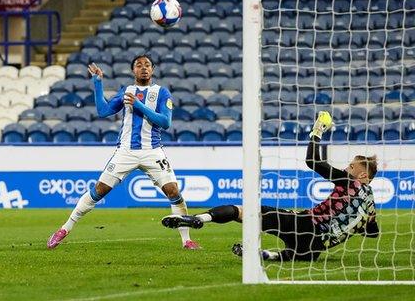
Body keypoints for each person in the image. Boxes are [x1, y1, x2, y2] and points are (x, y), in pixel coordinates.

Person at [161, 111, 379, 261]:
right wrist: (363, 221)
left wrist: (317, 132)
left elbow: (313, 162)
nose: (347, 169)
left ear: (361, 174)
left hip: (303, 224)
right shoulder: (370, 207)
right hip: (316, 247)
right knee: (297, 255)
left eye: (351, 166)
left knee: (245, 212)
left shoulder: (350, 181)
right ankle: (265, 255)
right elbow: (372, 233)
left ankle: (199, 219)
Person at [47, 54, 200, 250]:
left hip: (153, 151)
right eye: (138, 65)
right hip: (126, 151)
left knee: (173, 191)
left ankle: (186, 240)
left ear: (152, 70)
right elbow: (103, 111)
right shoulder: (126, 91)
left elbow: (166, 122)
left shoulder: (162, 93)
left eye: (147, 65)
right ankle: (64, 229)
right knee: (99, 190)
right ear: (133, 71)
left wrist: (139, 105)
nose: (143, 68)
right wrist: (98, 83)